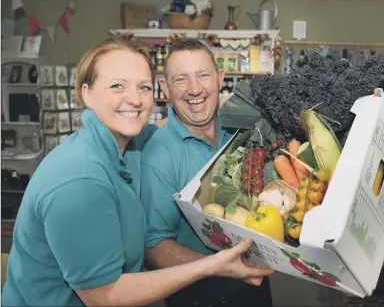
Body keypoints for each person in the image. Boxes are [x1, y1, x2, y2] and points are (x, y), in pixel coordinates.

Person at [1, 35, 273, 307]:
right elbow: (103, 295)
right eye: (117, 86)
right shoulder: (80, 181)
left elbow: (167, 127)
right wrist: (213, 265)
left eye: (143, 87)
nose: (133, 99)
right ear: (87, 93)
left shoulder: (130, 143)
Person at [140, 38, 274, 306]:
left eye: (203, 75)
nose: (194, 89)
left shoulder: (240, 125)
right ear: (165, 88)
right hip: (198, 294)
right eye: (181, 80)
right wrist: (220, 266)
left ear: (219, 78)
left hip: (256, 283)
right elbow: (153, 248)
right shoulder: (159, 154)